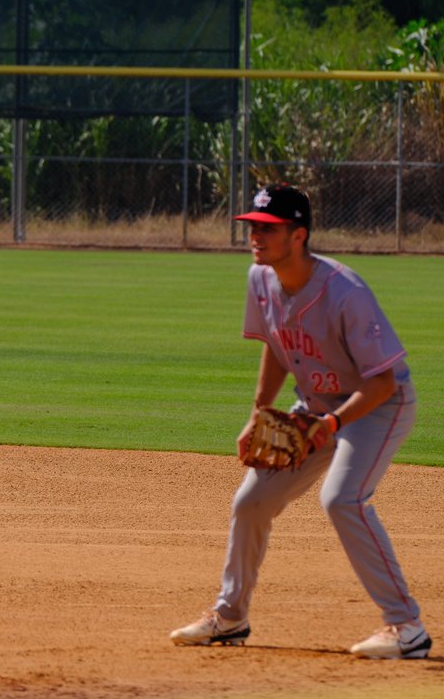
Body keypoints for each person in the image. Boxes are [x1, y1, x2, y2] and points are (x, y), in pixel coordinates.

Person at [169, 183, 430, 659]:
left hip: (378, 406)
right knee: (251, 501)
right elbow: (277, 345)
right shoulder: (260, 278)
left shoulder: (345, 292)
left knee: (342, 499)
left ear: (299, 235)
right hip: (314, 407)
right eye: (253, 226)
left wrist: (330, 425)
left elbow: (382, 382)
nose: (256, 236)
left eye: (269, 228)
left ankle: (406, 627)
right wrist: (259, 415)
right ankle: (230, 617)